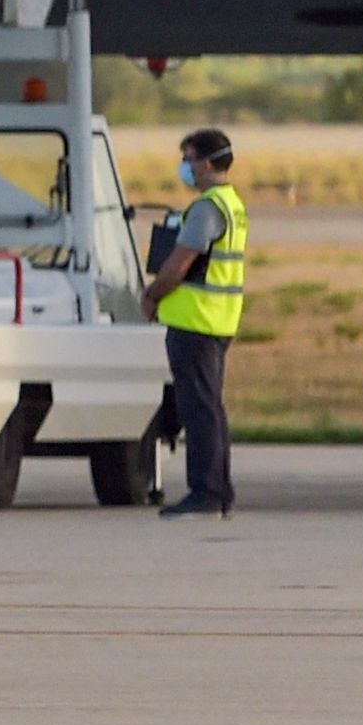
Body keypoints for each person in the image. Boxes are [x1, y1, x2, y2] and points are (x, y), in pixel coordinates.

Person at [137, 129, 250, 519]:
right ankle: (219, 491)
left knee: (198, 410)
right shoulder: (232, 203)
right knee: (210, 409)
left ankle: (206, 493)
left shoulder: (206, 208)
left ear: (205, 163)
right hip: (218, 320)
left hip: (195, 322)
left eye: (187, 159)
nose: (183, 167)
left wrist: (152, 295)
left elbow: (180, 262)